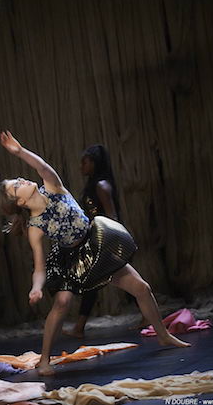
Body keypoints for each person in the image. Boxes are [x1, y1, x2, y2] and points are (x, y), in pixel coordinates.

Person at [0, 131, 190, 377]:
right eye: (16, 186)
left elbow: (41, 166)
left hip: (96, 244)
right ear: (20, 203)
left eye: (18, 179)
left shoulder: (53, 187)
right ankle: (44, 360)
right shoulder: (34, 227)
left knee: (141, 287)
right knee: (62, 303)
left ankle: (163, 335)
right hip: (70, 259)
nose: (21, 180)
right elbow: (40, 267)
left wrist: (20, 152)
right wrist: (36, 288)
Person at [63, 144, 147, 338]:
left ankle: (147, 316)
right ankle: (79, 328)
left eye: (84, 162)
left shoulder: (101, 185)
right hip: (98, 239)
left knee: (124, 281)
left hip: (107, 240)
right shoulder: (93, 185)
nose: (81, 166)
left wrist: (110, 243)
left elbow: (112, 216)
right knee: (95, 282)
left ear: (94, 163)